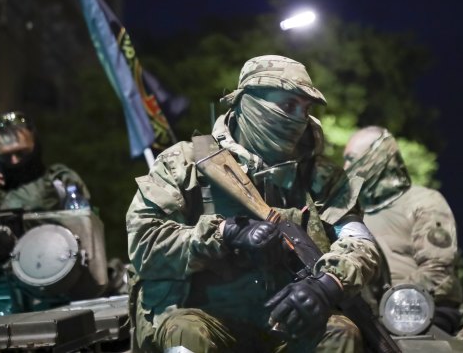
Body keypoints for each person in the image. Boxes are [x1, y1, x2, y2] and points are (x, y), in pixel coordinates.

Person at [126, 55, 381, 352]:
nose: (299, 119)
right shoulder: (183, 164)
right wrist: (223, 234)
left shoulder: (322, 177)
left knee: (341, 332)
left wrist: (326, 285)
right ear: (249, 103)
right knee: (185, 332)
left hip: (290, 324)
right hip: (210, 318)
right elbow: (144, 244)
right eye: (288, 106)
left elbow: (360, 242)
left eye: (305, 108)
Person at [343, 126, 462, 333]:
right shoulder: (349, 212)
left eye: (351, 159)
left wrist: (389, 301)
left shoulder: (423, 201)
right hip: (362, 313)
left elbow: (437, 270)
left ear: (377, 157)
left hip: (416, 311)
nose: (344, 167)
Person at [0, 111, 90, 211]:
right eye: (6, 156)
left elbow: (32, 201)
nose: (14, 161)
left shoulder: (60, 180)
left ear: (36, 146)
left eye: (21, 153)